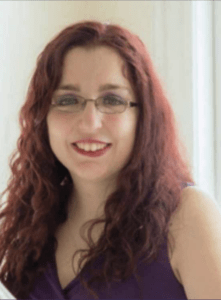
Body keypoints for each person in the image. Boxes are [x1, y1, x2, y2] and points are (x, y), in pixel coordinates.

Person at [0, 20, 221, 300]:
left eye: (113, 100)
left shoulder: (188, 216)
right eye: (68, 100)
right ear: (42, 117)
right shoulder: (31, 225)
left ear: (144, 117)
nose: (90, 123)